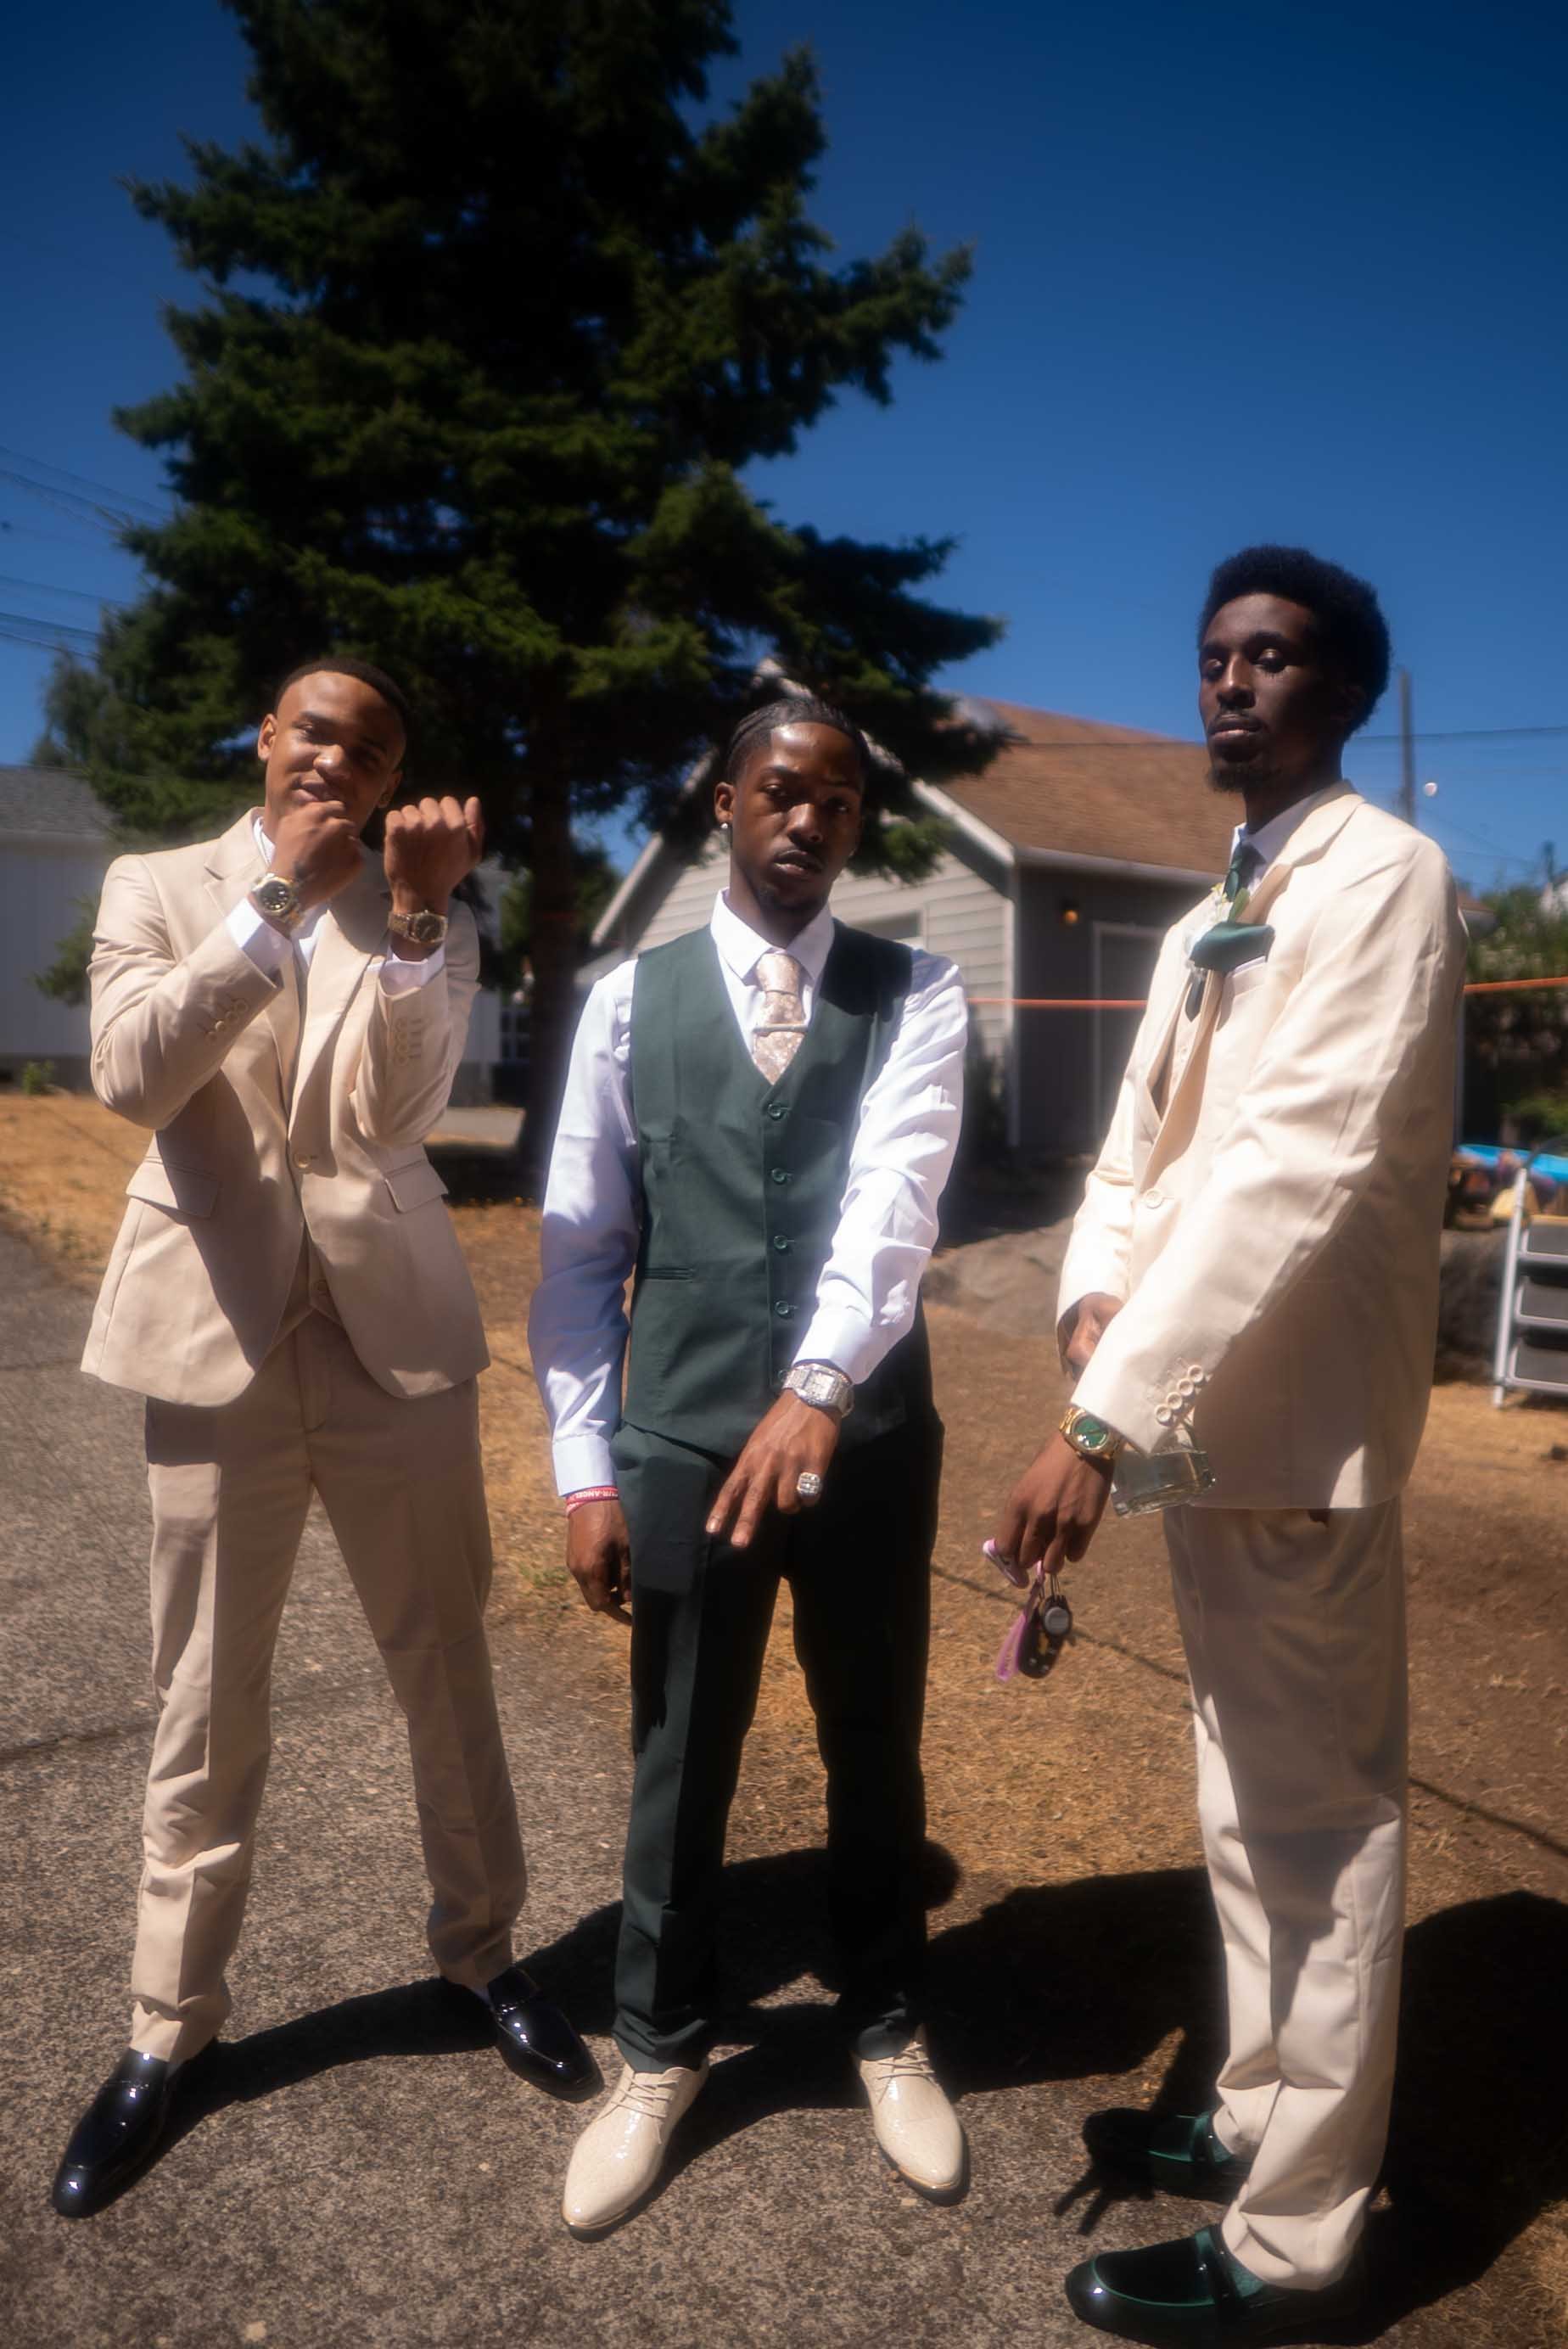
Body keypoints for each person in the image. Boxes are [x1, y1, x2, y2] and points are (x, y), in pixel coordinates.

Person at [992, 550, 1466, 2343]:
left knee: (1327, 1834)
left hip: (1295, 1432)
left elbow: (1305, 1163)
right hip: (1187, 1415)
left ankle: (1300, 2245)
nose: (1231, 686)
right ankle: (1257, 2108)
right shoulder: (1215, 911)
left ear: (1342, 693)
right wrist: (1092, 1313)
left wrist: (1100, 1427)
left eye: (1272, 660)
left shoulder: (1391, 878)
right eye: (1213, 659)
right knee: (1231, 1801)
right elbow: (1134, 1158)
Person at [52, 659, 593, 2220]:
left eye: (370, 746)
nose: (337, 759)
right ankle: (168, 2032)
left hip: (391, 1353)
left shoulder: (424, 910)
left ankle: (485, 1957)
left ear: (393, 774)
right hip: (212, 1350)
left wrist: (415, 922)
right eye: (316, 732)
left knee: (447, 1668)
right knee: (200, 1705)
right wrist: (278, 902)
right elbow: (134, 1070)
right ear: (267, 741)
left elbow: (393, 1118)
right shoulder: (162, 884)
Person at [529, 698, 968, 2234]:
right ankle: (659, 2047)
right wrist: (585, 1467)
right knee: (681, 1743)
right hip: (682, 1434)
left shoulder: (918, 989)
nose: (809, 821)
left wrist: (820, 1388)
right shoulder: (629, 1002)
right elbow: (583, 1252)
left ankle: (885, 2018)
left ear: (857, 830)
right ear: (724, 803)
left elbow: (893, 1207)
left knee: (873, 1732)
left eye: (838, 805)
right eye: (782, 792)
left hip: (868, 1437)